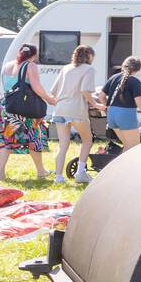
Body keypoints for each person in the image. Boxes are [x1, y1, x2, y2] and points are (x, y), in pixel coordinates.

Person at [0, 43, 57, 180]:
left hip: (6, 107)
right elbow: (36, 86)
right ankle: (41, 171)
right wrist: (49, 99)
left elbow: (6, 87)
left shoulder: (7, 66)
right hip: (25, 109)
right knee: (33, 138)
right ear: (33, 55)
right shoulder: (30, 65)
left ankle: (0, 173)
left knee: (6, 139)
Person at [49, 44, 98, 184]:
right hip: (76, 110)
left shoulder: (66, 68)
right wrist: (96, 104)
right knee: (87, 140)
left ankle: (58, 177)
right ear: (89, 56)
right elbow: (85, 91)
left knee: (63, 145)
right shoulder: (89, 69)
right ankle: (80, 172)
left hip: (59, 109)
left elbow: (53, 91)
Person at [97, 57, 141, 150]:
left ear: (124, 65)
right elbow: (140, 103)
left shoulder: (113, 78)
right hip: (125, 115)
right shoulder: (135, 82)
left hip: (111, 115)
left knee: (127, 146)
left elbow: (101, 96)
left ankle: (119, 164)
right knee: (134, 149)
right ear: (137, 69)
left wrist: (108, 108)